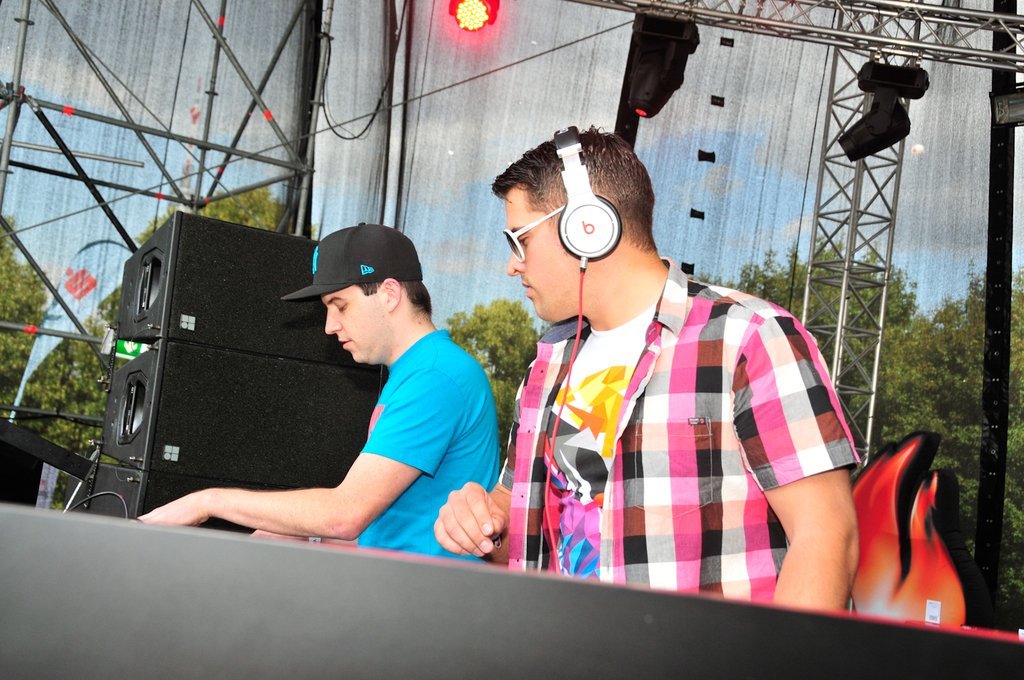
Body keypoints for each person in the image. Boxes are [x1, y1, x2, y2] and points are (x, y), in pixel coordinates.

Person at [434, 126, 861, 607]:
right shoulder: (548, 365)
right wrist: (479, 522)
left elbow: (827, 535)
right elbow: (518, 533)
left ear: (588, 226)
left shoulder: (750, 339)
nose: (512, 266)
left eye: (521, 240)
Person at [141, 223, 500, 561]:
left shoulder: (435, 376)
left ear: (389, 294)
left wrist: (206, 502)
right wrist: (306, 537)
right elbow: (400, 521)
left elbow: (346, 514)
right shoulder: (417, 371)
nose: (330, 326)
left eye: (340, 306)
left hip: (422, 597)